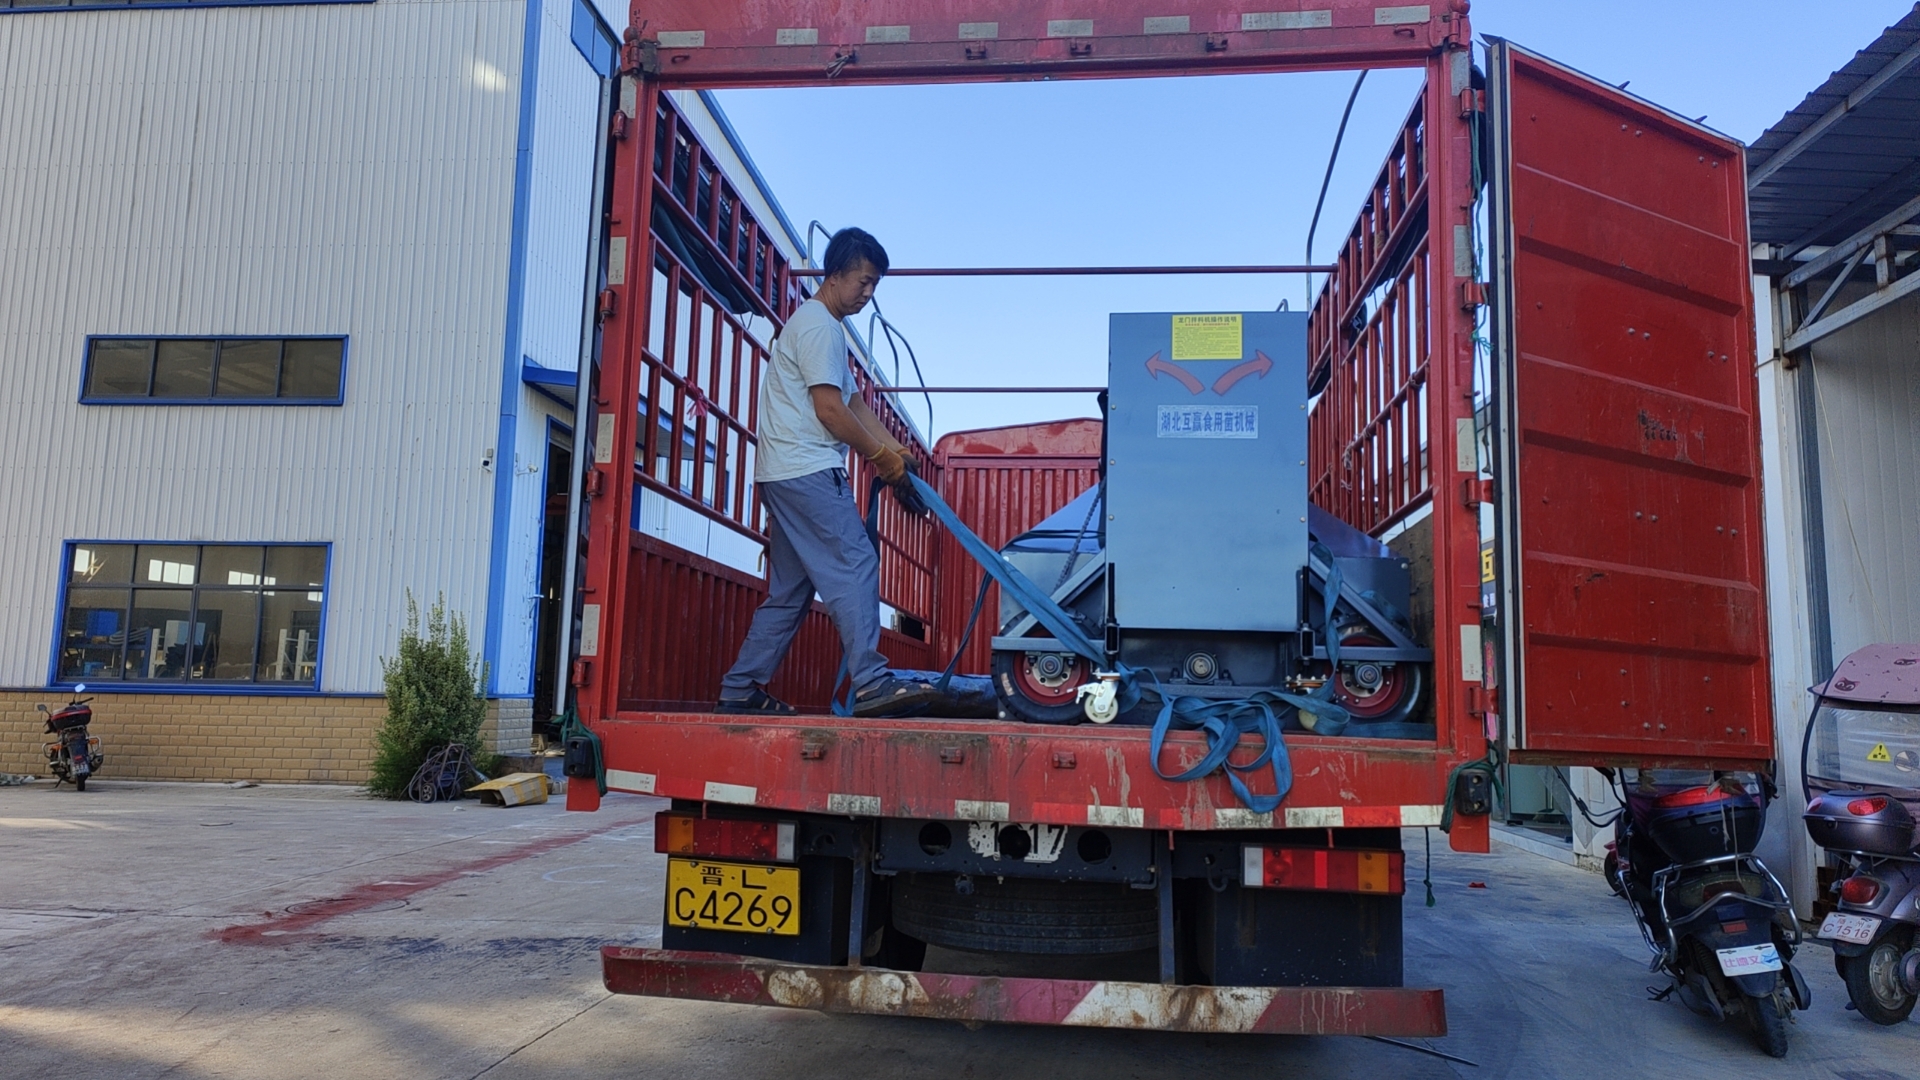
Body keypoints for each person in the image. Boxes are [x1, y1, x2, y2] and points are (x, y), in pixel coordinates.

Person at [716, 227, 942, 718]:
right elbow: (831, 412)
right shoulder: (821, 328)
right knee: (857, 564)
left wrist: (896, 450)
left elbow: (855, 404)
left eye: (875, 284)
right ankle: (872, 682)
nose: (868, 293)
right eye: (864, 281)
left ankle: (740, 688)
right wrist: (881, 458)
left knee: (791, 592)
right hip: (809, 471)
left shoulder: (819, 325)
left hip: (781, 475)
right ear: (835, 274)